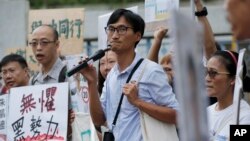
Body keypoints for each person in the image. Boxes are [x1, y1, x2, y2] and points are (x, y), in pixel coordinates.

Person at [80, 9, 178, 141]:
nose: (114, 35)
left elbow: (177, 115)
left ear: (137, 36)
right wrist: (91, 82)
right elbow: (99, 120)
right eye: (111, 29)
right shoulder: (111, 76)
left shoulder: (150, 70)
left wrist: (138, 102)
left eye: (122, 29)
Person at [29, 25, 73, 140]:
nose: (38, 48)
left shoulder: (70, 75)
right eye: (34, 43)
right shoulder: (33, 81)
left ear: (57, 45)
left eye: (44, 42)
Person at [206, 50, 250, 140]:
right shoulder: (206, 112)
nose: (206, 78)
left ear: (233, 79)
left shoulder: (245, 116)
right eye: (206, 72)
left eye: (213, 73)